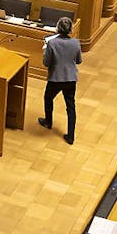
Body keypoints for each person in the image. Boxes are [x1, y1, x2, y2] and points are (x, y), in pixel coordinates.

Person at [38, 16, 82, 145]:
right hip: (70, 79)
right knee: (71, 107)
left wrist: (46, 50)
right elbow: (79, 60)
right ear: (70, 30)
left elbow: (46, 63)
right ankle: (71, 136)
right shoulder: (76, 43)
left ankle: (48, 122)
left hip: (55, 79)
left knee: (48, 98)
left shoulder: (51, 43)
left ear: (58, 29)